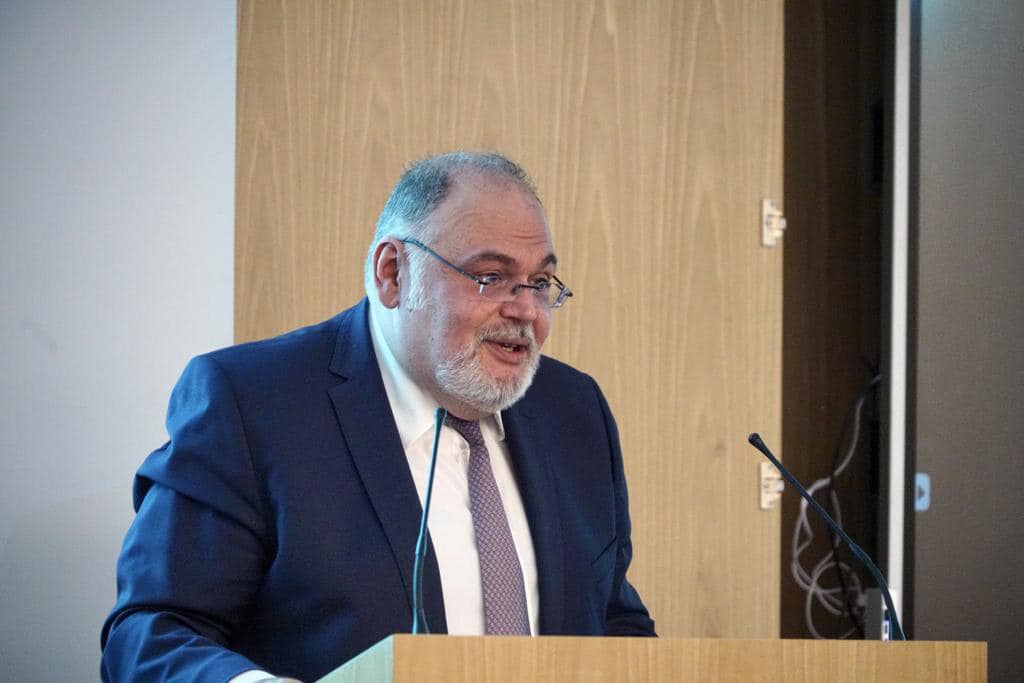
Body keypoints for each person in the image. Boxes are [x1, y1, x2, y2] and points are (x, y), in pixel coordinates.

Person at [101, 152, 655, 682]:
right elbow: (152, 635)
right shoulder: (253, 404)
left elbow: (613, 626)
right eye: (490, 276)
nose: (526, 310)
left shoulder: (574, 411)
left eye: (540, 283)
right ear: (393, 273)